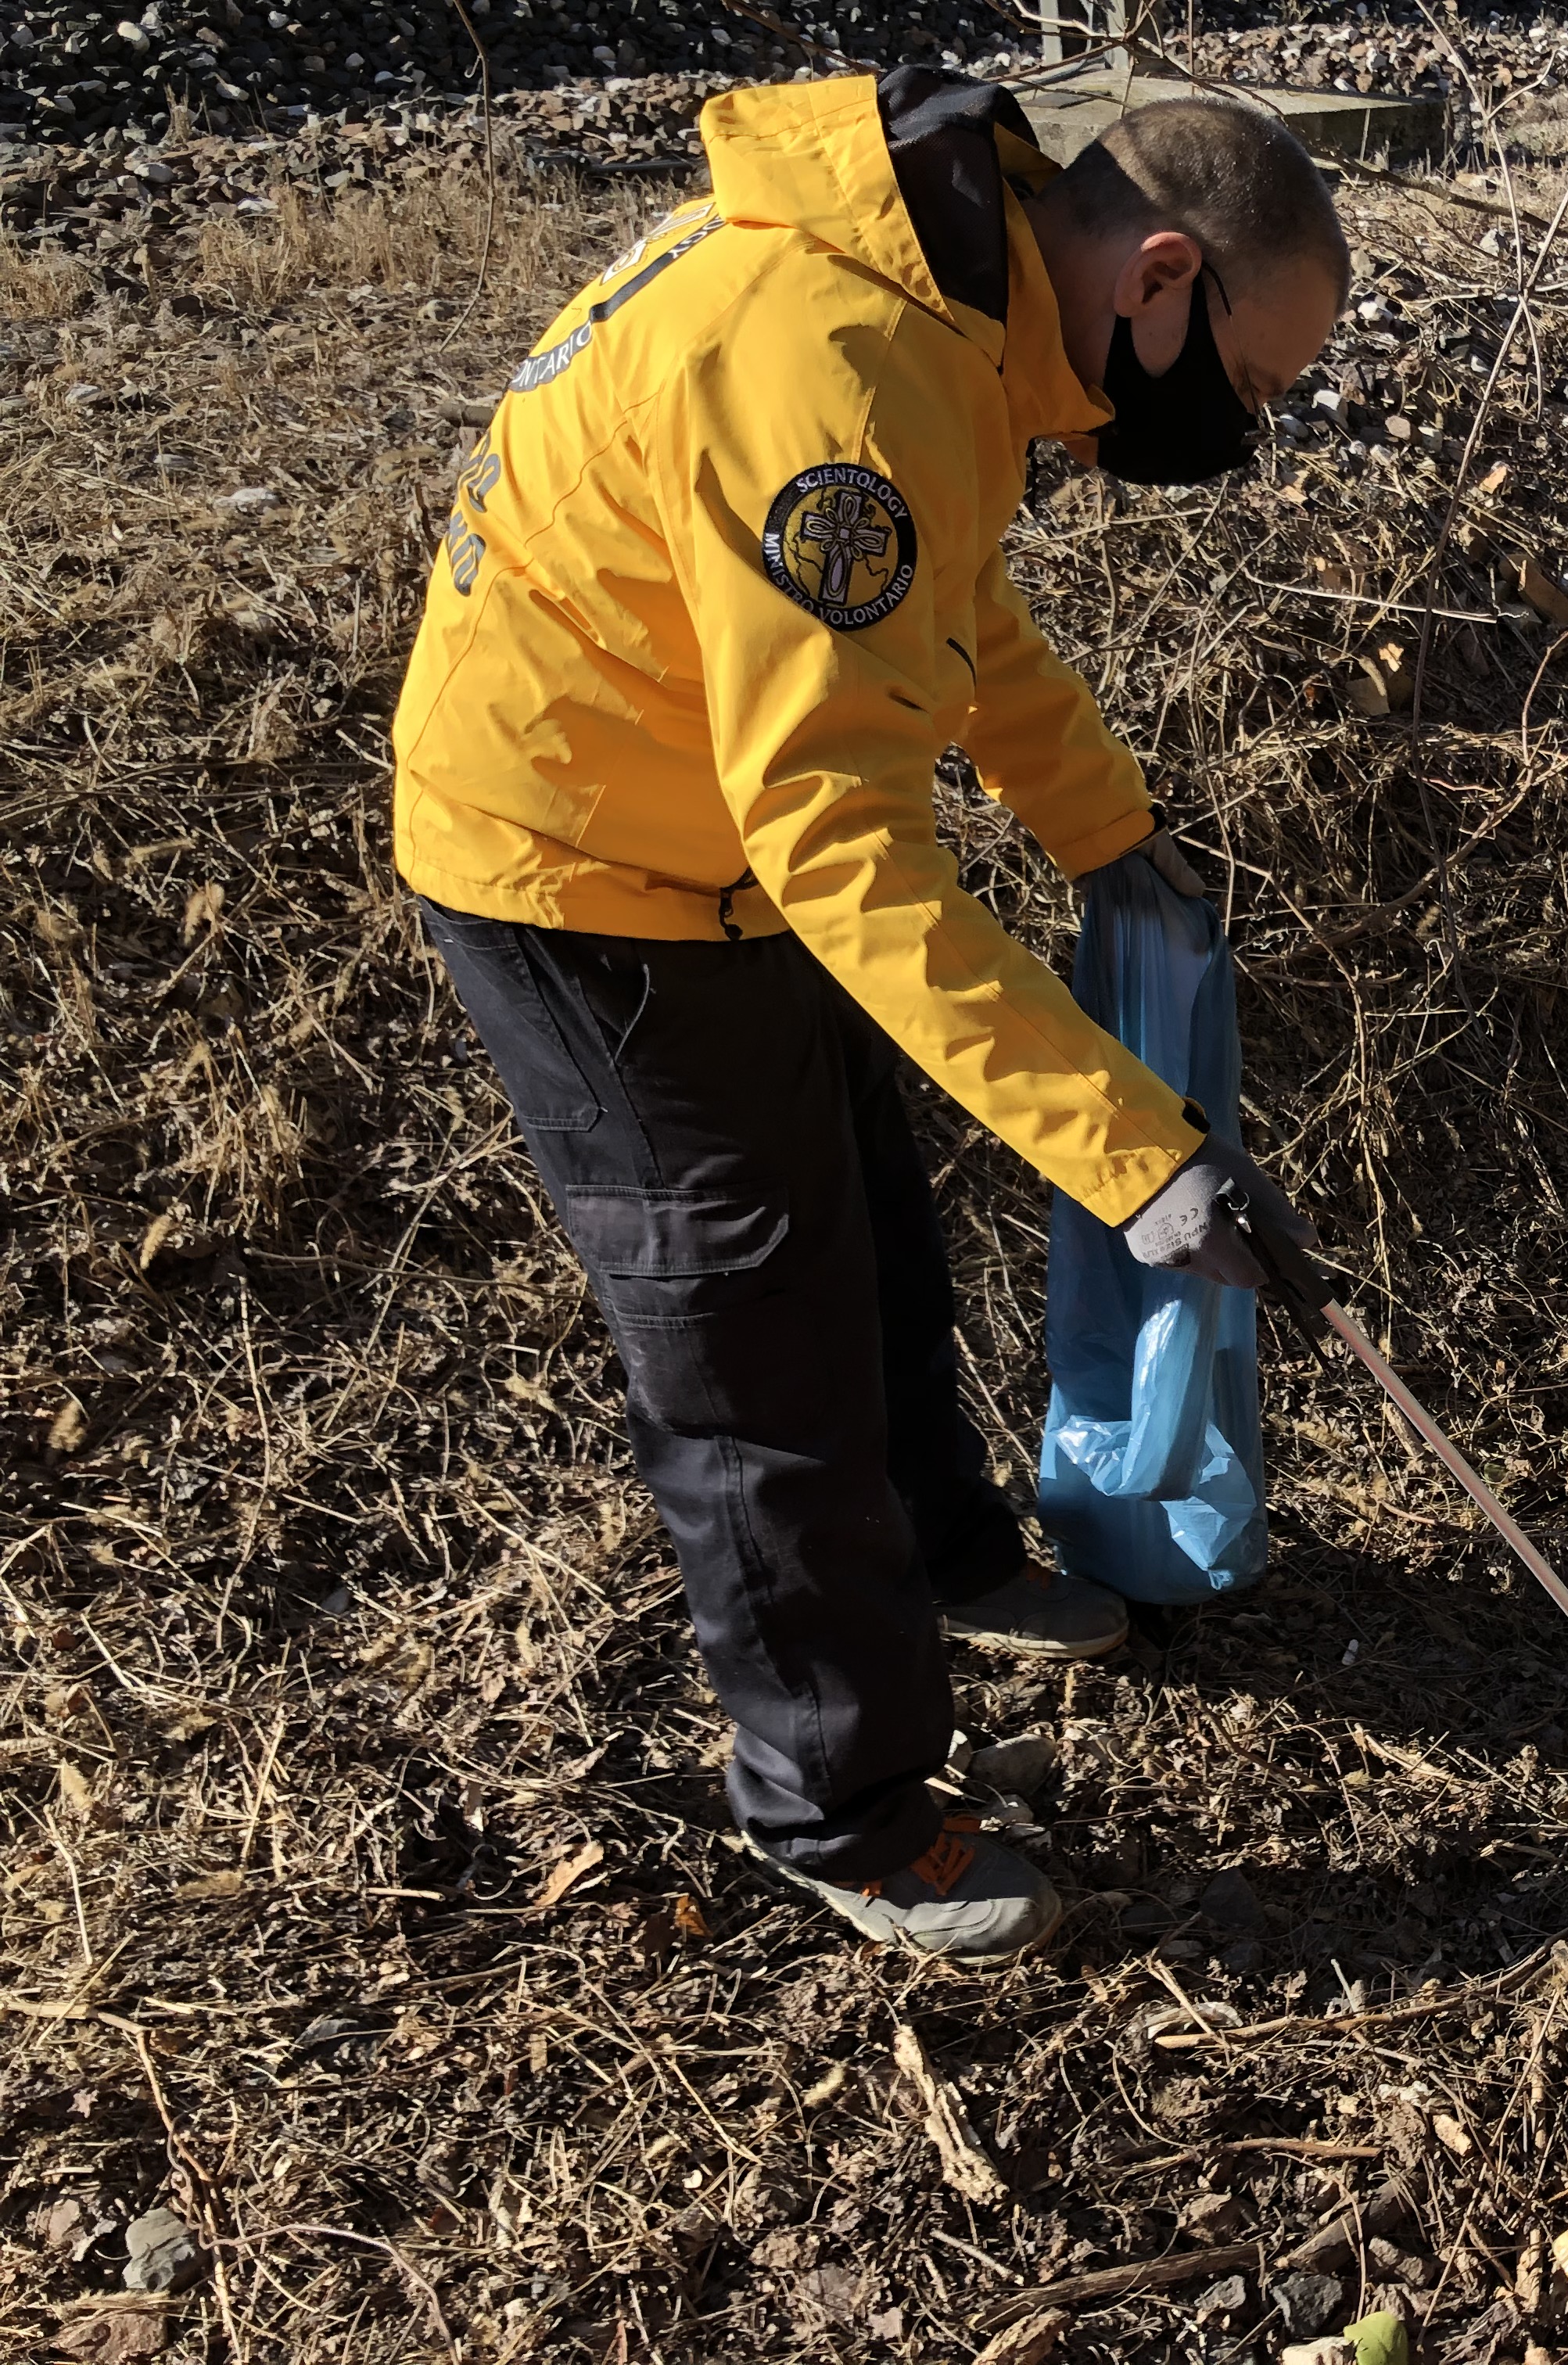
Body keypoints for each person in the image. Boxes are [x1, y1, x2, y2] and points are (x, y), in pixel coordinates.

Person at [388, 68, 1340, 1965]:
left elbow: (954, 617)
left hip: (712, 817)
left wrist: (1114, 838)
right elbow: (841, 843)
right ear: (1159, 275)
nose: (1245, 431)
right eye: (1253, 385)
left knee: (867, 1206)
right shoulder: (846, 367)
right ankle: (839, 1804)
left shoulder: (962, 311)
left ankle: (961, 1558)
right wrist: (1142, 1159)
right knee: (753, 1326)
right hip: (580, 859)